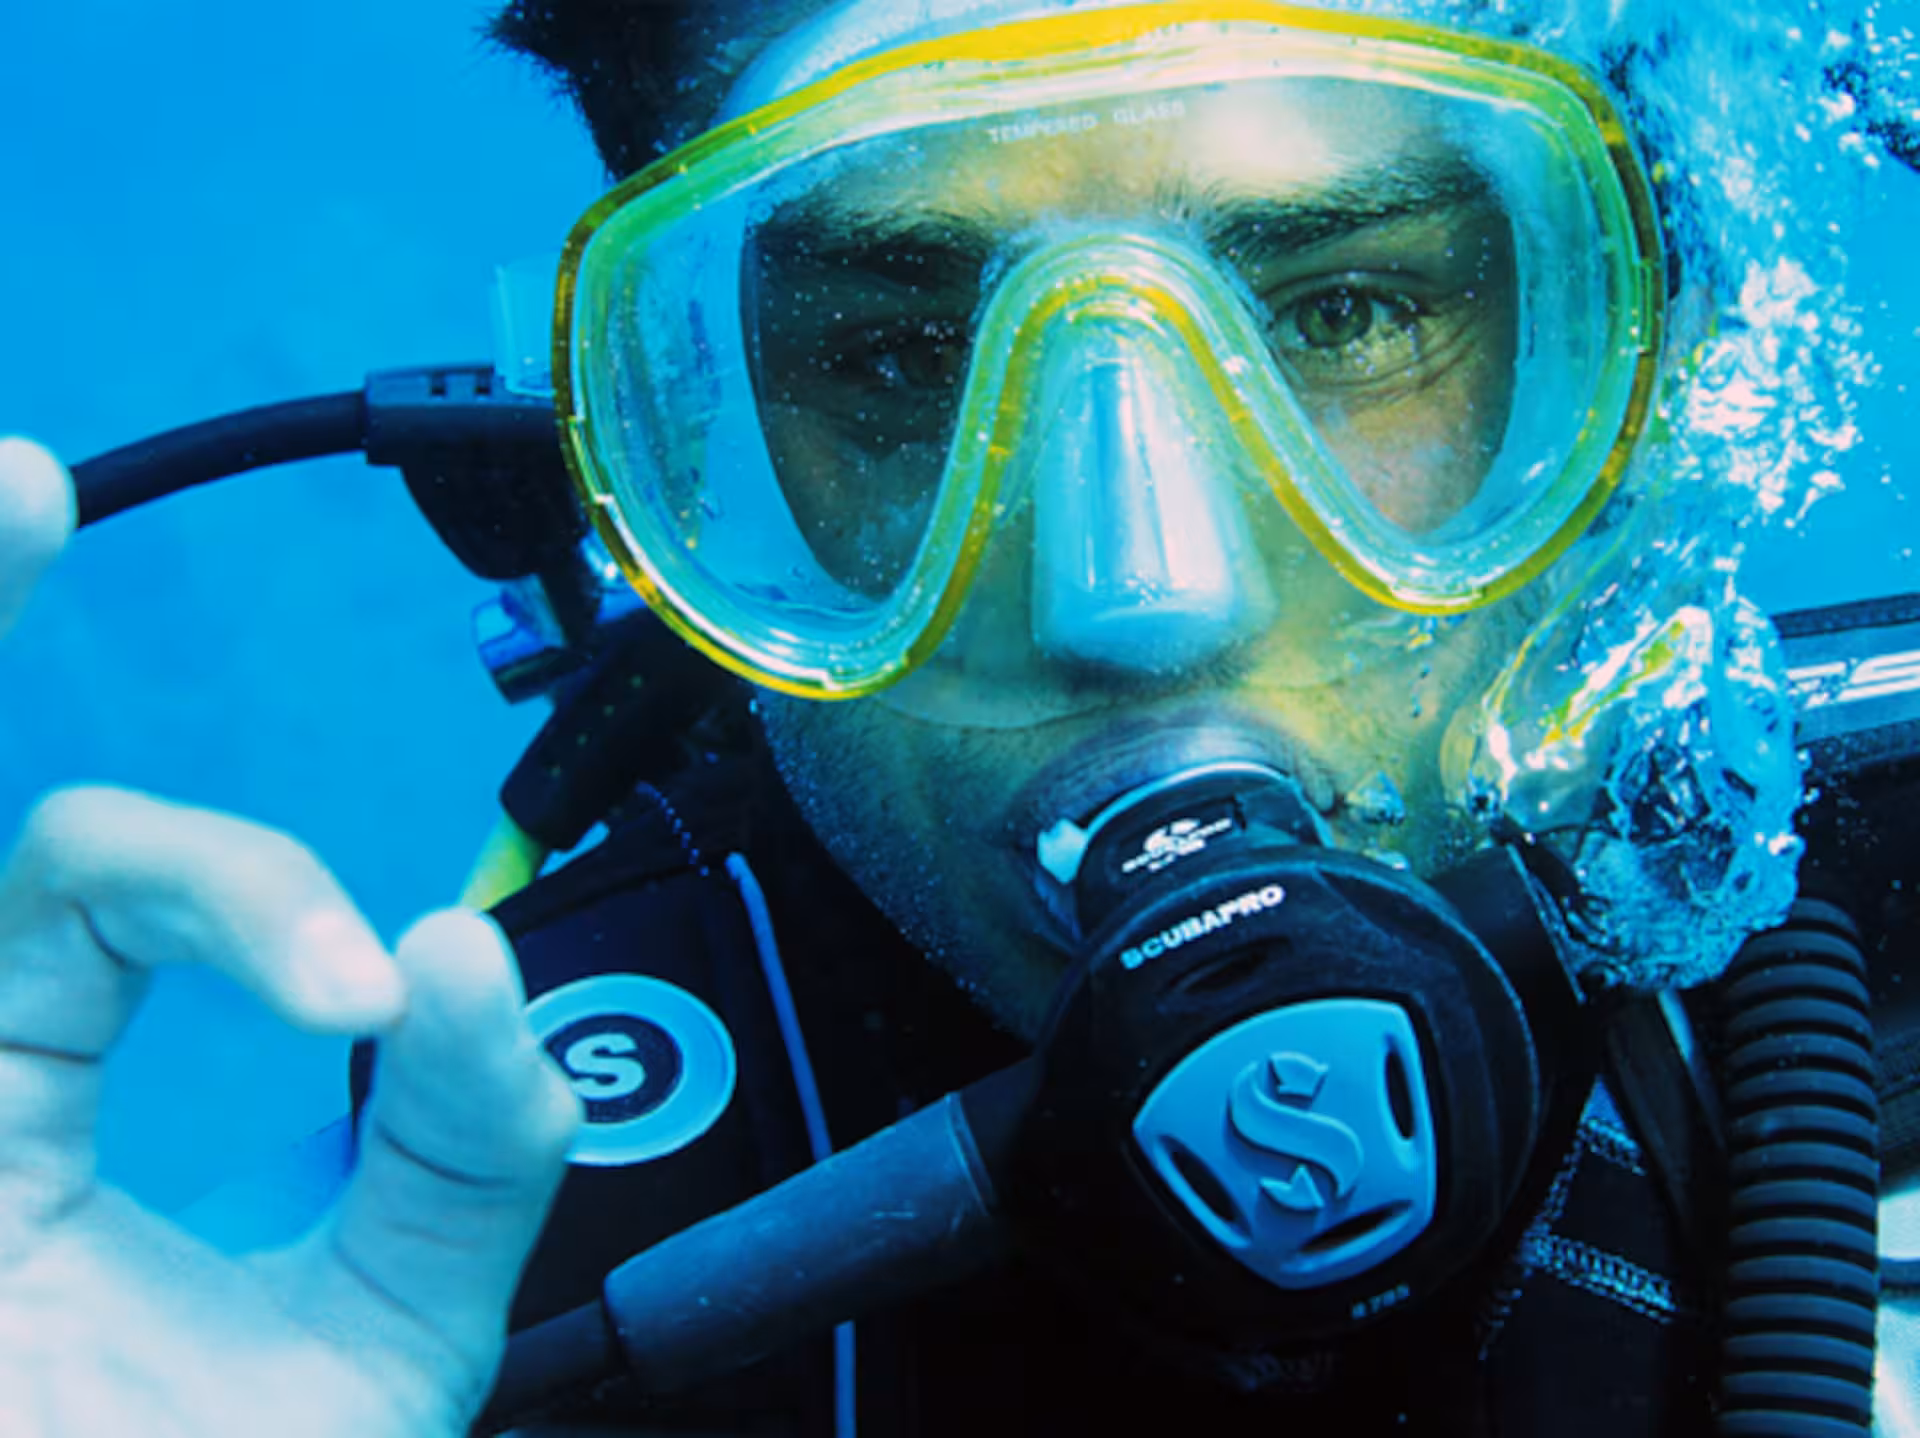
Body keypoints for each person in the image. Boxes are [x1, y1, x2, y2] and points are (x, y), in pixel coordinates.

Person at [1, 0, 1917, 1434]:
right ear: (687, 472)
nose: (1147, 595)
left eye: (1343, 315)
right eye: (903, 360)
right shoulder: (441, 1247)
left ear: (1641, 370)